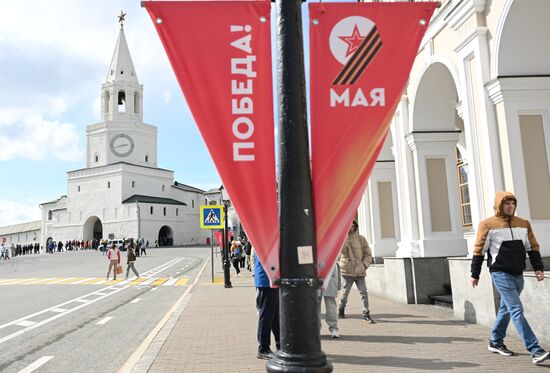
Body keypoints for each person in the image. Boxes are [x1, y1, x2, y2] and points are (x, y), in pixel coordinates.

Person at [470, 191, 549, 365]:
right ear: (499, 205)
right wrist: (475, 274)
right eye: (507, 203)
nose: (510, 206)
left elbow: (532, 247)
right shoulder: (488, 225)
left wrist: (538, 268)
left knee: (506, 309)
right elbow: (479, 250)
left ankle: (495, 341)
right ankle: (535, 350)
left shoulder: (523, 224)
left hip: (517, 273)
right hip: (500, 273)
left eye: (513, 203)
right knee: (516, 309)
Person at [338, 220, 374, 323]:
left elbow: (368, 254)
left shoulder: (361, 239)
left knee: (363, 292)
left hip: (360, 271)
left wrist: (364, 265)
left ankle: (366, 313)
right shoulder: (343, 239)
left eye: (353, 226)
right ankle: (341, 307)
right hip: (347, 270)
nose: (351, 228)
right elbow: (341, 251)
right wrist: (345, 236)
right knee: (345, 292)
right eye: (349, 226)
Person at [254, 252, 280, 359]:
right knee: (266, 315)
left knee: (274, 316)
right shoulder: (265, 240)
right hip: (266, 280)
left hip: (271, 279)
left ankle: (280, 344)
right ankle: (263, 348)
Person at [319, 263, 341, 338]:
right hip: (317, 274)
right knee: (315, 307)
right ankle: (316, 329)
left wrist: (338, 285)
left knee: (331, 307)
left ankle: (334, 328)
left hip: (330, 274)